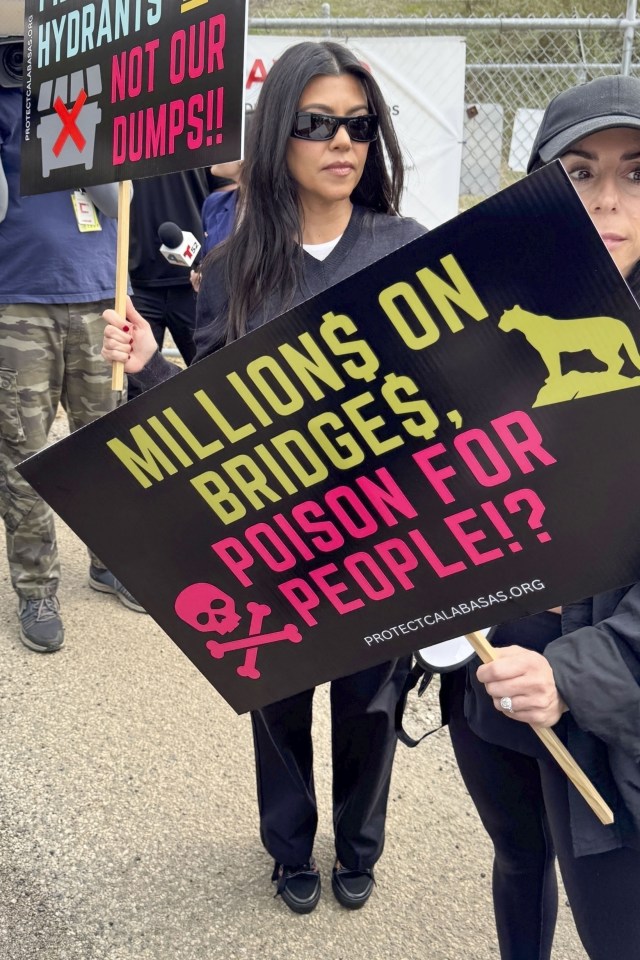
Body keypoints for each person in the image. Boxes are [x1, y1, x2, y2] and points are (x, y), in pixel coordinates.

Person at [101, 40, 425, 914]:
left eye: (359, 124)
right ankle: (288, 849)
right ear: (279, 132)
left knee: (370, 704)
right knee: (278, 706)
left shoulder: (409, 247)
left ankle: (359, 842)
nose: (342, 142)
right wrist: (146, 369)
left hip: (386, 535)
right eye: (317, 123)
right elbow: (207, 419)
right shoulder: (235, 264)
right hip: (275, 537)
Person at [441, 74, 640, 960]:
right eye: (577, 172)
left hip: (608, 703)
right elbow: (352, 468)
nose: (606, 201)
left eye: (636, 173)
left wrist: (583, 670)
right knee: (519, 856)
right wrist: (149, 373)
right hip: (495, 668)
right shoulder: (471, 331)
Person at [0, 84, 145, 655]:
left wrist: (79, 122)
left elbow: (121, 201)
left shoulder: (101, 94)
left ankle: (111, 563)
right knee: (23, 456)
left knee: (105, 448)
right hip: (19, 302)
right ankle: (36, 589)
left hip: (99, 297)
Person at [127, 168, 218, 397]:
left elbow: (228, 192)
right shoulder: (118, 134)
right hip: (135, 280)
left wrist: (218, 260)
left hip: (196, 278)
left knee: (213, 376)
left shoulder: (206, 133)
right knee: (139, 389)